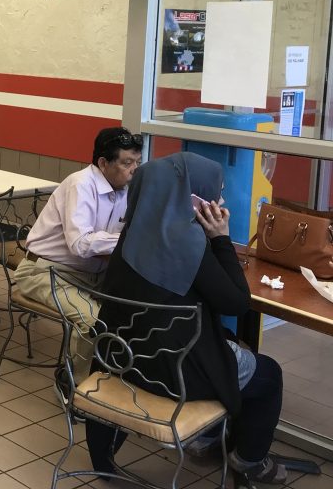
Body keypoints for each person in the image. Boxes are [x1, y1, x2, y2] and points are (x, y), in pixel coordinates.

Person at [92, 153, 286, 485]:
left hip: (122, 360)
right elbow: (238, 303)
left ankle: (206, 438)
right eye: (216, 192)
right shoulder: (189, 246)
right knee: (269, 375)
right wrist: (221, 239)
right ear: (191, 199)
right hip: (176, 375)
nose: (221, 200)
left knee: (223, 337)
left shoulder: (130, 237)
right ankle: (249, 461)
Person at [13, 127, 142, 310]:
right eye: (127, 163)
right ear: (104, 163)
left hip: (95, 275)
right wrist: (132, 242)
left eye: (138, 162)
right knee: (94, 323)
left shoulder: (125, 190)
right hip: (47, 271)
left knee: (138, 313)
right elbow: (80, 243)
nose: (134, 170)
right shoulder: (81, 184)